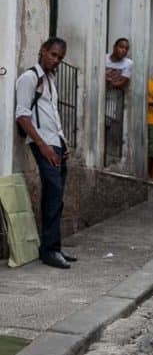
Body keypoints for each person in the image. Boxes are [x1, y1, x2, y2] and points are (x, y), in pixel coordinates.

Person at [15, 37, 76, 269]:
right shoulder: (29, 78)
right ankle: (50, 251)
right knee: (53, 194)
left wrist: (62, 142)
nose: (57, 60)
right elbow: (22, 115)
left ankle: (54, 247)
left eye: (60, 57)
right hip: (44, 144)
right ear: (42, 51)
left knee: (56, 197)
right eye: (53, 55)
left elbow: (52, 116)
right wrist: (43, 145)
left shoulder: (49, 80)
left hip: (56, 143)